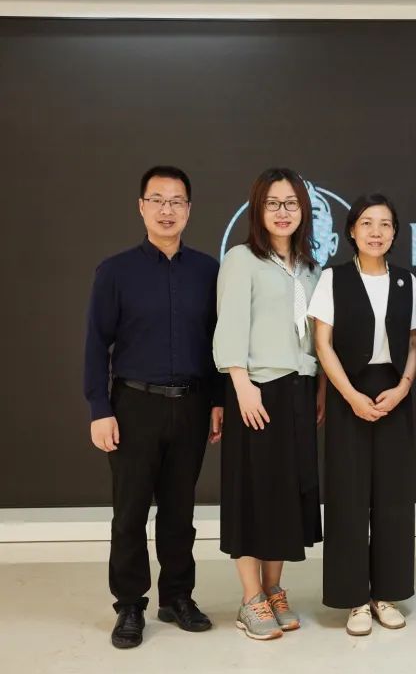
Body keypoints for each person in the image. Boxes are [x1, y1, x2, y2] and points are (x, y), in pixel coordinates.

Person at [84, 165, 222, 649]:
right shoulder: (115, 271)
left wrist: (218, 401)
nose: (167, 210)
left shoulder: (208, 271)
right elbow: (95, 344)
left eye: (176, 201)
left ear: (189, 209)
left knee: (180, 512)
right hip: (133, 406)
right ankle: (129, 605)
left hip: (192, 405)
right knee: (130, 512)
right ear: (141, 207)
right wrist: (99, 408)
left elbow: (217, 342)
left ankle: (177, 596)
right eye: (157, 200)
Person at [213, 168, 326, 641]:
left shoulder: (311, 269)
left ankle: (275, 588)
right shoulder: (242, 260)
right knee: (252, 493)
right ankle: (250, 598)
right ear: (258, 209)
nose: (283, 212)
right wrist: (241, 384)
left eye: (291, 203)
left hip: (299, 389)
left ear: (304, 210)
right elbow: (230, 324)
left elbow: (317, 337)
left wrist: (319, 387)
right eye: (273, 203)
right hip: (256, 389)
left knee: (285, 494)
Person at [309, 194, 416, 636]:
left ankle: (386, 594)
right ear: (352, 230)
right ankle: (354, 598)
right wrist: (352, 396)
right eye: (367, 223)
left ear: (395, 232)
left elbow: (413, 343)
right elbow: (323, 344)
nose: (377, 232)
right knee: (349, 497)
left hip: (394, 391)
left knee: (393, 498)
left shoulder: (407, 281)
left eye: (385, 224)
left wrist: (404, 388)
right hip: (347, 392)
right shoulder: (333, 279)